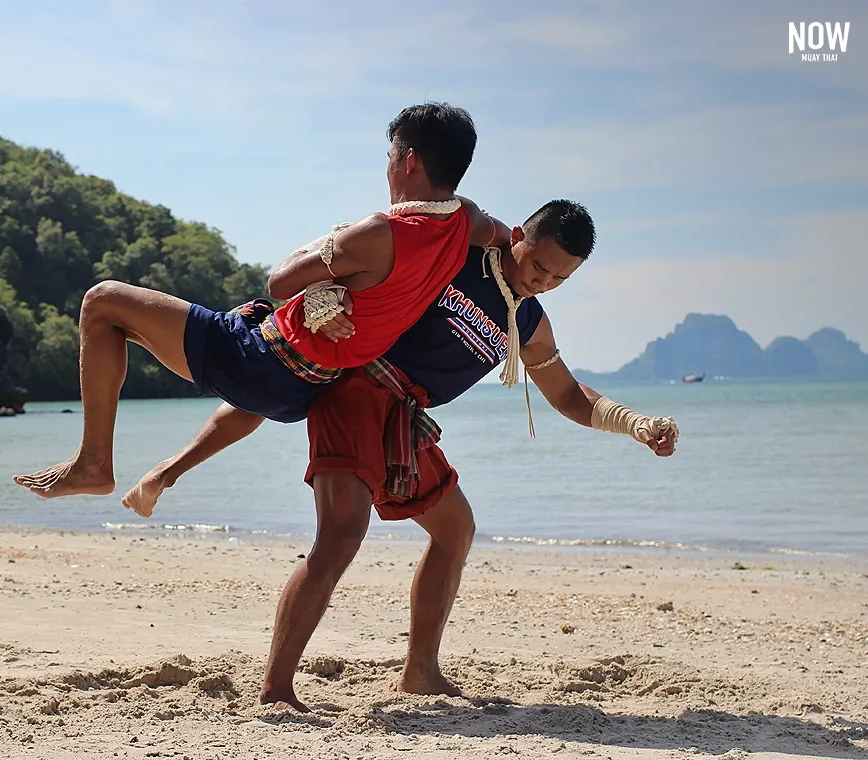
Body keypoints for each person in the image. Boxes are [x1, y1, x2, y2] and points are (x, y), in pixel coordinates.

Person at [121, 200, 679, 711]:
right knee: (339, 537)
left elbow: (567, 395)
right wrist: (318, 298)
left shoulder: (527, 322)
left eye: (561, 278)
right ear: (519, 237)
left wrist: (636, 424)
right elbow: (347, 255)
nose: (544, 281)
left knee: (455, 528)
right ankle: (277, 686)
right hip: (356, 388)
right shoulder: (456, 253)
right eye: (541, 265)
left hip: (404, 420)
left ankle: (420, 670)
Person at [13, 102, 502, 499]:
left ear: (408, 158)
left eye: (391, 154)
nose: (389, 165)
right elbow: (505, 235)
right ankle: (165, 473)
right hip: (301, 389)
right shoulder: (466, 223)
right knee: (249, 373)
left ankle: (93, 462)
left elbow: (281, 281)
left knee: (103, 302)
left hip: (262, 361)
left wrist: (331, 253)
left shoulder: (380, 231)